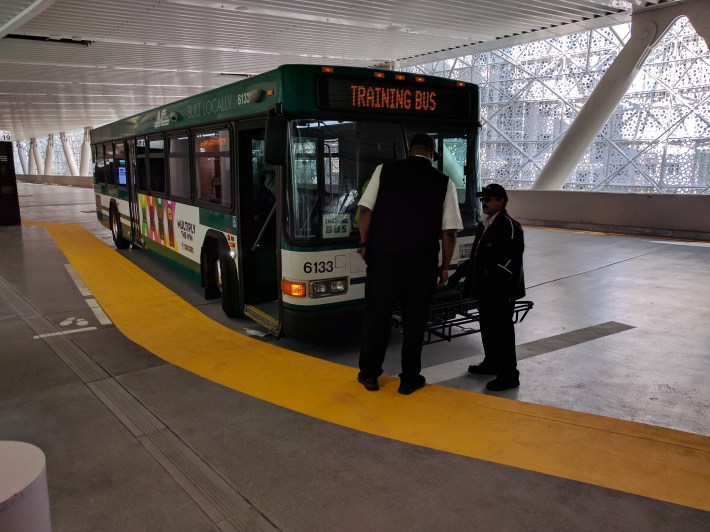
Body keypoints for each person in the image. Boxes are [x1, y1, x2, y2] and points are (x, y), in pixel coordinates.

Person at [357, 133, 463, 395]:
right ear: (432, 154)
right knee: (415, 324)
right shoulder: (443, 182)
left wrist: (364, 243)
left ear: (409, 150)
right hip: (421, 266)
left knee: (377, 319)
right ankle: (409, 379)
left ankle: (370, 375)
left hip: (383, 262)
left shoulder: (384, 171)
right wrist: (445, 268)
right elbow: (449, 232)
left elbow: (365, 211)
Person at [461, 183, 525, 391]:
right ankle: (492, 363)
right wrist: (459, 277)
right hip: (485, 291)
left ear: (502, 201)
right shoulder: (485, 224)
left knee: (503, 332)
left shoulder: (510, 227)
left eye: (488, 199)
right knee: (488, 328)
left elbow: (511, 263)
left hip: (501, 291)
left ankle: (509, 374)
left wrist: (500, 289)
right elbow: (477, 257)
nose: (484, 203)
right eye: (482, 199)